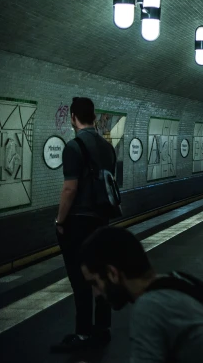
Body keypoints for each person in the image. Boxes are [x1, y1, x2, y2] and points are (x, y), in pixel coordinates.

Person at [79, 227, 203, 362]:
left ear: (112, 273)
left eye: (95, 283)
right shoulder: (179, 280)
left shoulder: (150, 307)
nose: (96, 293)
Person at [51, 97, 116, 353]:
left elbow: (69, 189)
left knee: (80, 280)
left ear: (73, 117)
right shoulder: (107, 147)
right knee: (99, 274)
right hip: (103, 220)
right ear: (94, 116)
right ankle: (103, 328)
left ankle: (83, 333)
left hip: (79, 222)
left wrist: (60, 221)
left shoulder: (74, 146)